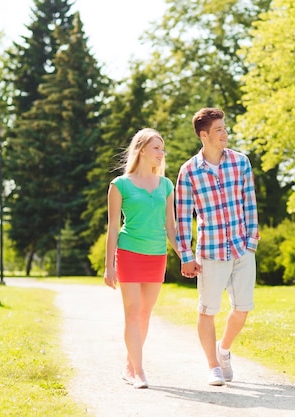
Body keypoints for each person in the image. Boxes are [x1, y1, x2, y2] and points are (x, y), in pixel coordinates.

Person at [175, 107, 260, 386]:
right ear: (204, 135)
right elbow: (183, 217)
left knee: (243, 308)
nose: (225, 134)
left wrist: (251, 244)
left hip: (241, 248)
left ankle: (223, 350)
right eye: (219, 130)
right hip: (210, 252)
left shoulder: (240, 162)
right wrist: (186, 256)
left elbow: (250, 203)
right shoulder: (188, 171)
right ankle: (212, 366)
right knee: (207, 310)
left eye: (225, 128)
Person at [104, 128, 179, 389]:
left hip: (156, 255)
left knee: (145, 314)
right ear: (142, 150)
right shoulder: (120, 185)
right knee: (133, 312)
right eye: (156, 148)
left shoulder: (167, 185)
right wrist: (108, 266)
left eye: (162, 148)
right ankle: (138, 371)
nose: (161, 153)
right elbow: (113, 228)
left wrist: (185, 256)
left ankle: (128, 365)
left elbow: (171, 227)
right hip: (129, 253)